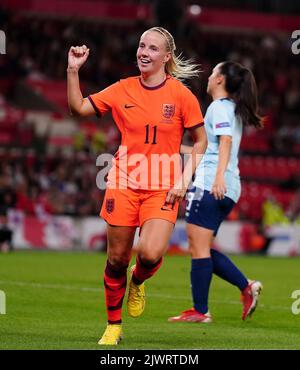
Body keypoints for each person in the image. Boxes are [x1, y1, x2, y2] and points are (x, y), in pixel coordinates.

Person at [67, 27, 207, 345]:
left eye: (152, 48)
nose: (144, 52)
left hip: (164, 185)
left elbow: (202, 140)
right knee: (116, 258)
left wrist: (185, 180)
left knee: (150, 253)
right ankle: (113, 326)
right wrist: (73, 71)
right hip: (124, 181)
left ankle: (139, 279)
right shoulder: (122, 89)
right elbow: (78, 108)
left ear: (166, 56)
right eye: (142, 46)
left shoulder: (182, 95)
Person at [168, 61, 263, 324]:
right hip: (229, 186)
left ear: (220, 80)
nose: (208, 77)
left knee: (197, 247)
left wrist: (217, 177)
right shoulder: (232, 109)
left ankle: (201, 311)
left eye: (212, 73)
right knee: (203, 247)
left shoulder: (218, 107)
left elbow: (226, 142)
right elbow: (210, 149)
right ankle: (246, 286)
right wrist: (176, 148)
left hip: (212, 183)